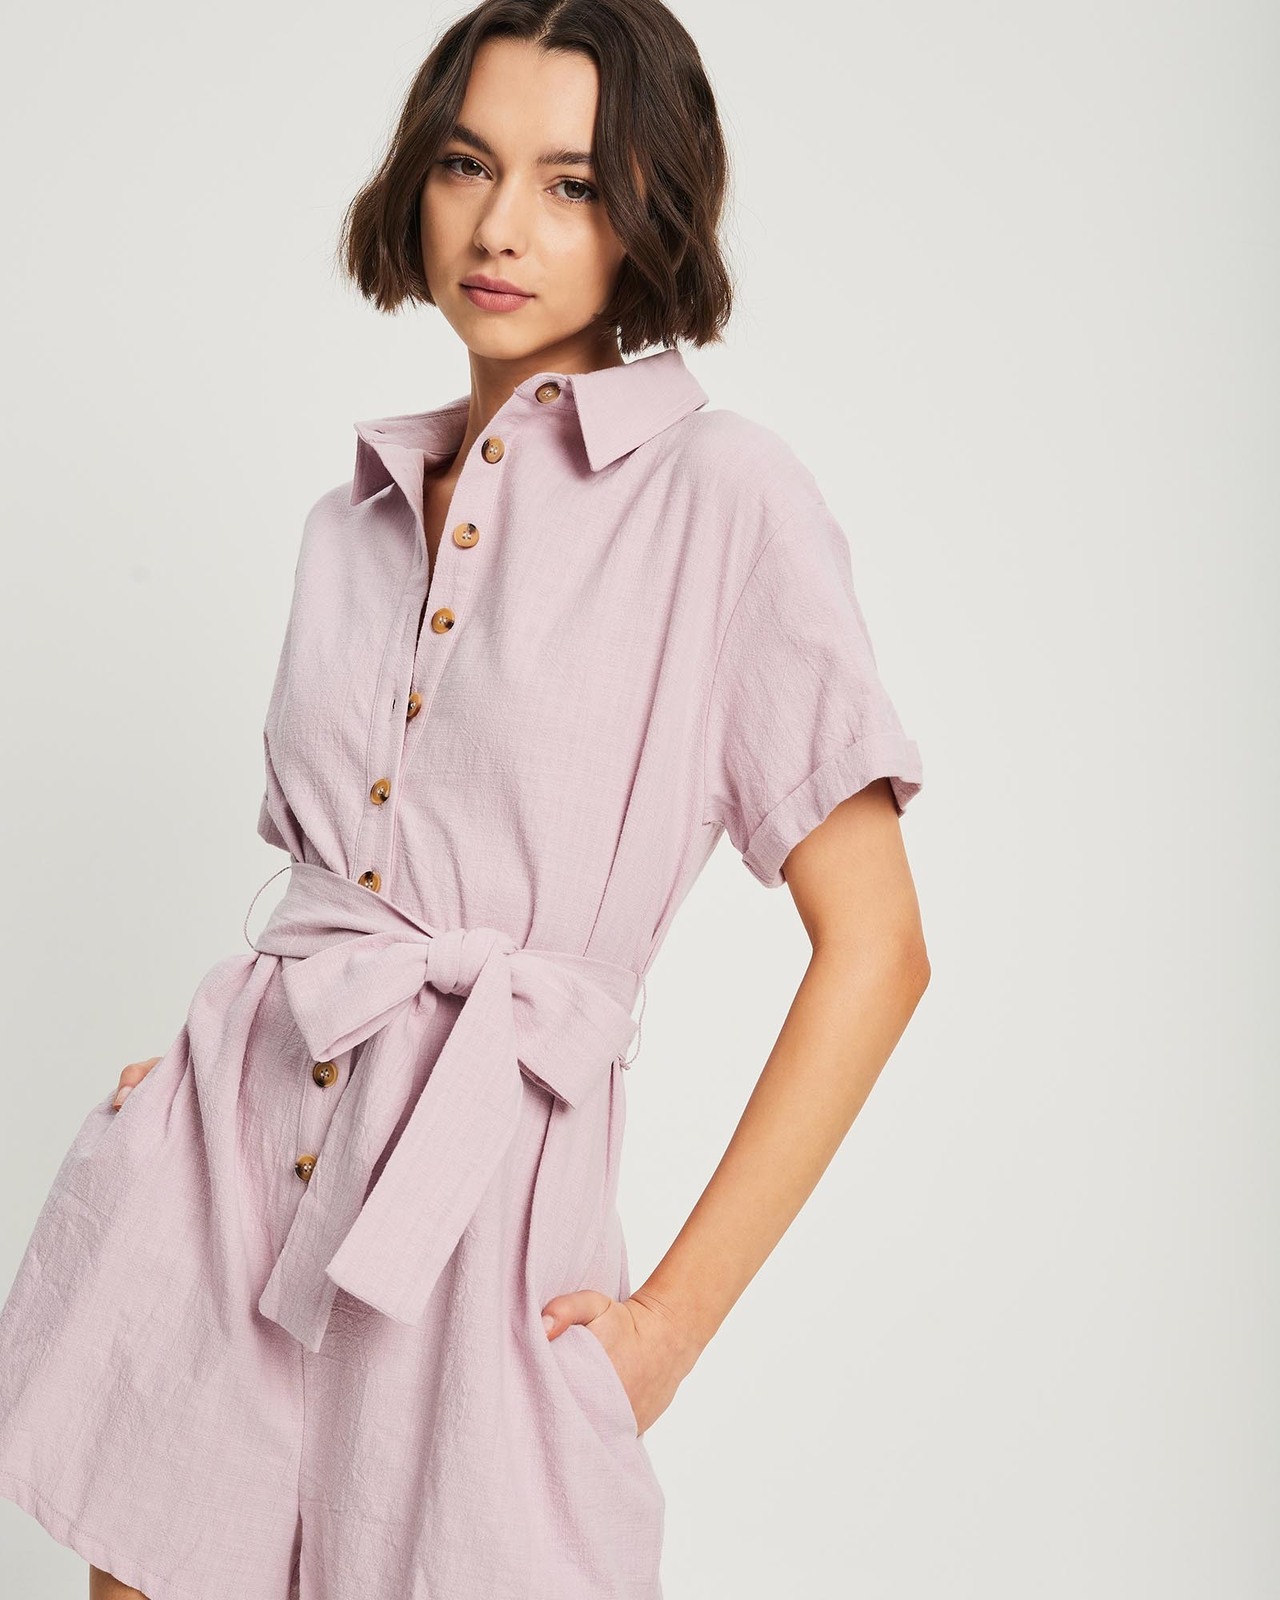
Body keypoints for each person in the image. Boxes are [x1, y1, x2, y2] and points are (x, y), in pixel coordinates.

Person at [0, 2, 929, 1596]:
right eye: (464, 164)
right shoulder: (349, 519)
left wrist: (668, 1329)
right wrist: (212, 1066)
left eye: (572, 184)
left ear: (651, 211)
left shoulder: (727, 501)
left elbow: (882, 950)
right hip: (226, 1184)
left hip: (478, 1235)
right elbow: (337, 893)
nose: (501, 227)